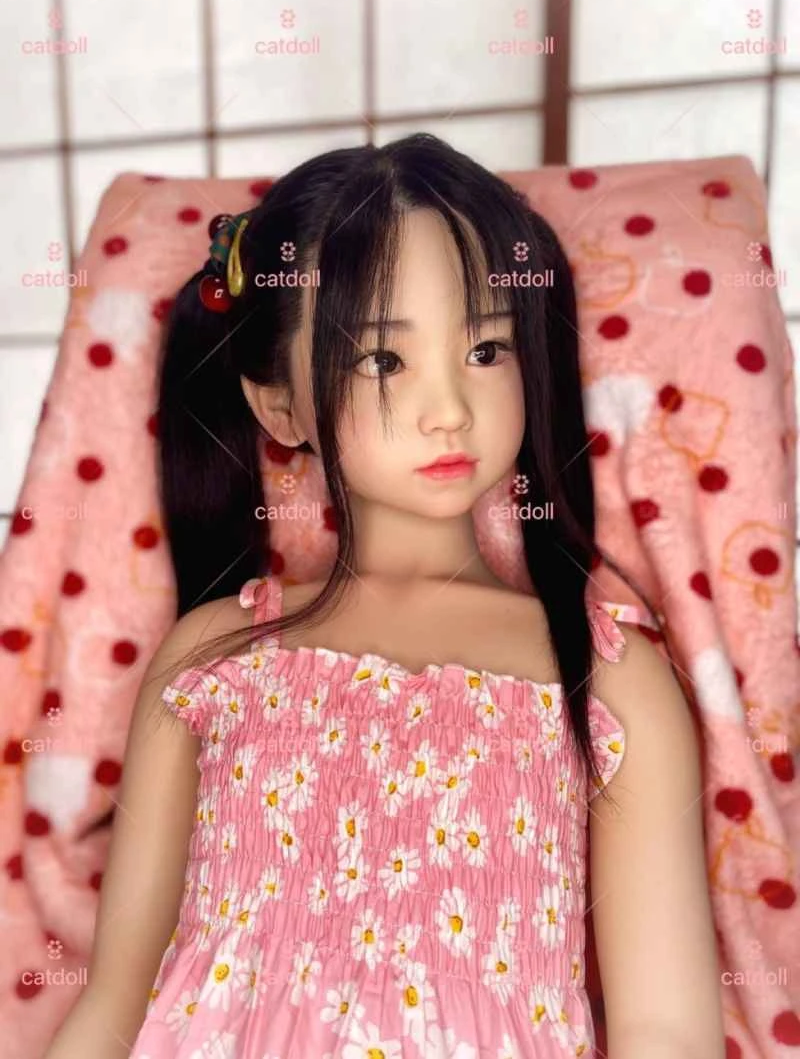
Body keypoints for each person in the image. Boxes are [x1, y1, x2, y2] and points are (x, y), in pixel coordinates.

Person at [44, 133, 725, 1058]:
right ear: (280, 406)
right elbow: (114, 1002)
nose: (449, 409)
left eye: (486, 347)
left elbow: (666, 1030)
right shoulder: (213, 659)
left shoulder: (609, 679)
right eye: (382, 361)